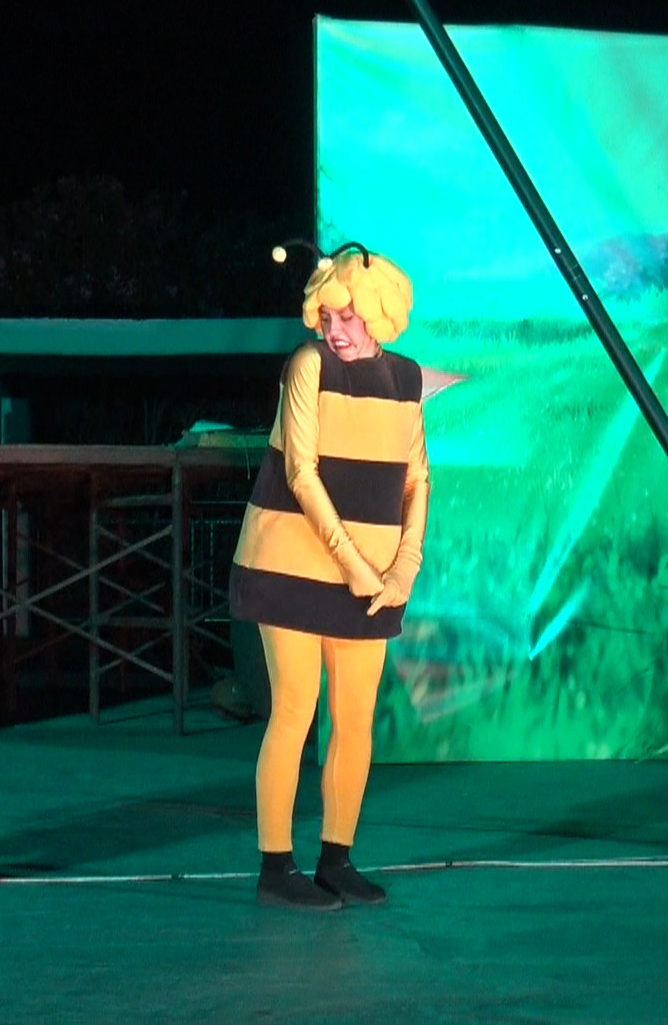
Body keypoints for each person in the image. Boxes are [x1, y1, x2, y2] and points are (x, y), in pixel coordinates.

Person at [228, 242, 453, 911]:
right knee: (295, 709)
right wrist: (359, 567)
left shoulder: (406, 380)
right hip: (290, 565)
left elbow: (417, 479)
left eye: (348, 318)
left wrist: (403, 567)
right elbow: (302, 474)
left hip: (373, 575)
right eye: (327, 318)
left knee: (354, 718)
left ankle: (337, 860)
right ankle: (276, 868)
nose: (335, 330)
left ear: (378, 315)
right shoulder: (308, 366)